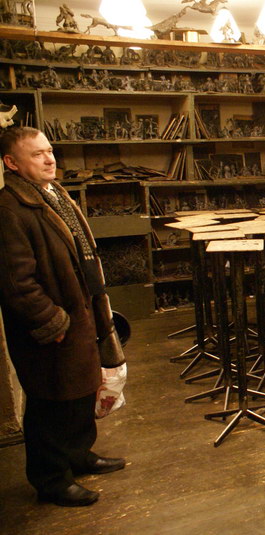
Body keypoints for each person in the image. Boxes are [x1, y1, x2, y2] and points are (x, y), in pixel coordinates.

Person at [0, 127, 126, 507]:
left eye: (50, 150)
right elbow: (16, 282)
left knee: (80, 394)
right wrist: (52, 322)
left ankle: (78, 456)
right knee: (51, 404)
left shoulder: (52, 193)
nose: (49, 159)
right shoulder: (10, 209)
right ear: (11, 163)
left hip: (80, 314)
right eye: (37, 154)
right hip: (54, 327)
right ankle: (51, 480)